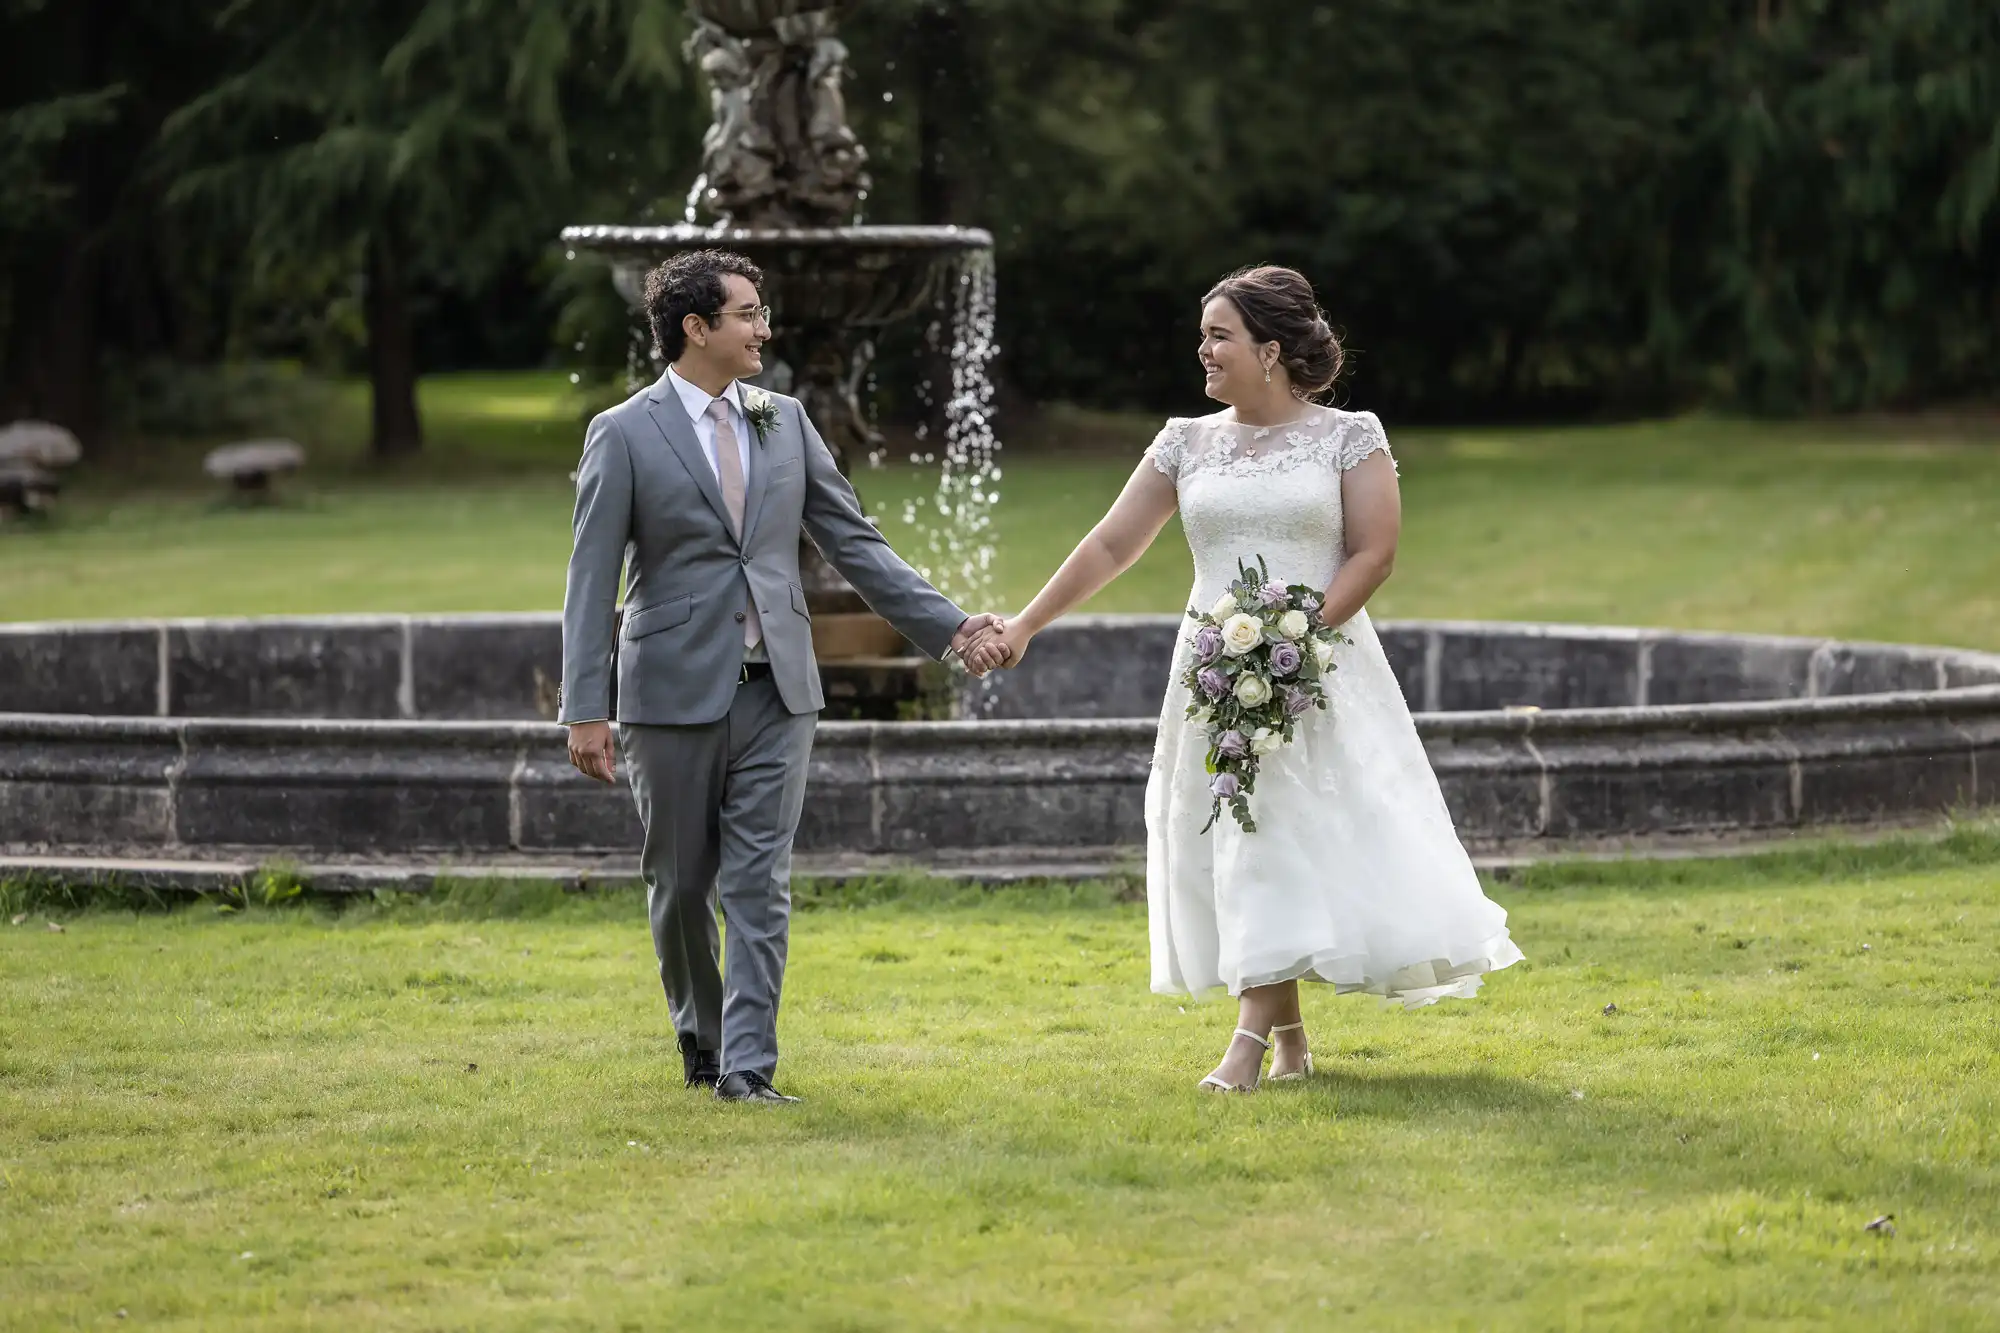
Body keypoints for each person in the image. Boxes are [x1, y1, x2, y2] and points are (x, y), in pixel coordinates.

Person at [970, 265, 1522, 1092]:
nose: (1204, 349)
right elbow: (1111, 545)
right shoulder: (1184, 442)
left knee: (1283, 826)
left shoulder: (1350, 435)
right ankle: (1287, 1031)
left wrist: (1295, 640)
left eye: (1219, 334)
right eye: (1204, 334)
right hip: (1209, 668)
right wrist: (1025, 624)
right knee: (1245, 830)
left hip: (1320, 665)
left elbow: (1374, 553)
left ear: (1270, 350)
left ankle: (1248, 1043)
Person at [560, 249, 1005, 1105]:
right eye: (748, 314)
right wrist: (586, 705)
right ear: (696, 329)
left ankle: (748, 1070)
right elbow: (590, 579)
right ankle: (703, 1037)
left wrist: (952, 629)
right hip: (669, 693)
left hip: (781, 691)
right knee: (682, 885)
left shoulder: (784, 419)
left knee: (759, 882)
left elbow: (857, 544)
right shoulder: (621, 431)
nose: (765, 328)